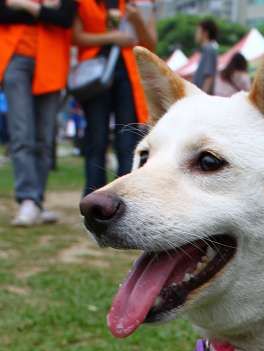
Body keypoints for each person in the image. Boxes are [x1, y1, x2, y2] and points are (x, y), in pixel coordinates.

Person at [0, 0, 76, 226]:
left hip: (52, 61)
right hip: (14, 59)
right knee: (22, 133)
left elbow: (65, 19)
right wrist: (45, 11)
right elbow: (3, 14)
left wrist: (24, 6)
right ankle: (27, 199)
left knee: (44, 137)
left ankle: (37, 201)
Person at [73, 0, 156, 195]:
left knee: (128, 139)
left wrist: (137, 21)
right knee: (96, 138)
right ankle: (93, 195)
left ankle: (126, 195)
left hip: (129, 76)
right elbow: (75, 37)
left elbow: (151, 43)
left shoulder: (139, 5)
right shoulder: (84, 3)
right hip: (95, 75)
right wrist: (112, 38)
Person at [193, 18, 218, 95]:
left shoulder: (209, 49)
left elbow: (208, 77)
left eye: (198, 31)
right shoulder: (208, 49)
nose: (196, 35)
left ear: (205, 33)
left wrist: (202, 97)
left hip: (202, 95)